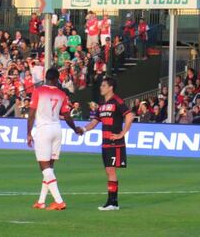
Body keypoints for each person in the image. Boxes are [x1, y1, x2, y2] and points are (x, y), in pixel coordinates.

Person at [27, 68, 81, 211]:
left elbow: (31, 114)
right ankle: (41, 201)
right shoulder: (62, 94)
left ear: (46, 78)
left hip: (44, 130)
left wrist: (28, 133)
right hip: (57, 129)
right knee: (49, 168)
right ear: (56, 79)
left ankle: (59, 201)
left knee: (44, 167)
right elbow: (67, 115)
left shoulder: (38, 91)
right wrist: (75, 129)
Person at [78, 77, 134, 210]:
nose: (101, 87)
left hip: (114, 142)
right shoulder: (102, 105)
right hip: (105, 143)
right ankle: (112, 202)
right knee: (109, 171)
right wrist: (83, 129)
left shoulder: (117, 101)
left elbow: (129, 115)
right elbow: (94, 122)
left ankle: (112, 203)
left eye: (103, 85)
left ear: (111, 87)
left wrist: (122, 133)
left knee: (111, 170)